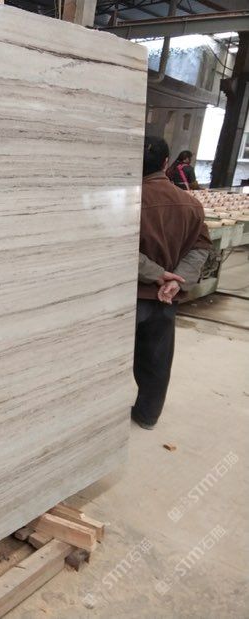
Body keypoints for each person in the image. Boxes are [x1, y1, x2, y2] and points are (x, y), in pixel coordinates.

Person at [133, 136, 212, 430]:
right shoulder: (191, 204)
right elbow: (201, 247)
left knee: (110, 358)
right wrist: (177, 281)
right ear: (167, 163)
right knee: (157, 359)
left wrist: (157, 274)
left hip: (130, 295)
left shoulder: (125, 202)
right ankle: (147, 415)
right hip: (165, 299)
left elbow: (117, 250)